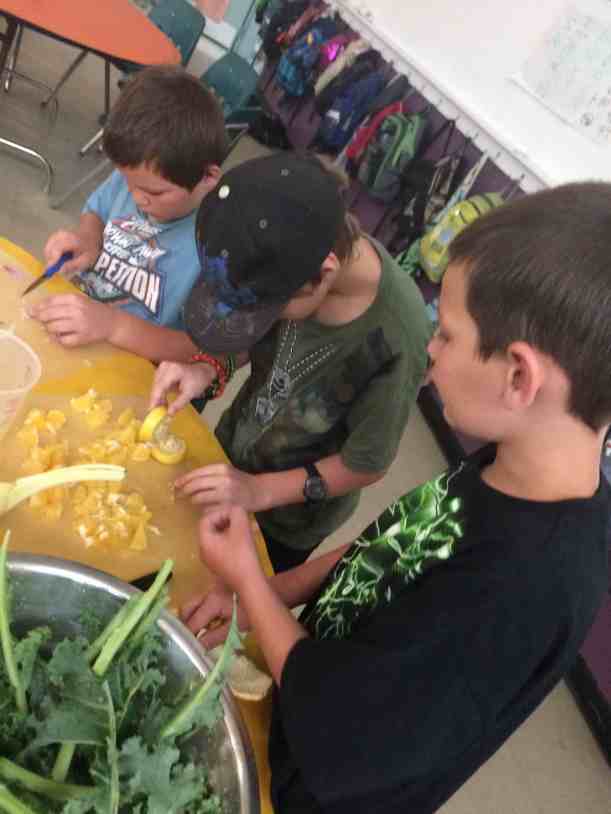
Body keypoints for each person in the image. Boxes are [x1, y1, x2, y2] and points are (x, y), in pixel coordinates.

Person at [181, 182, 611, 813]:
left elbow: (336, 724)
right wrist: (266, 594)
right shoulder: (515, 460)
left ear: (518, 376)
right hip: (295, 696)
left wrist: (247, 575)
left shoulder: (520, 589)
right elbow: (388, 550)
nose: (430, 351)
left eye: (449, 334)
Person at [148, 152, 432, 571]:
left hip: (286, 521)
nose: (262, 320)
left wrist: (258, 492)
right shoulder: (280, 248)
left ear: (323, 274)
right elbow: (250, 337)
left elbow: (365, 463)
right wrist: (206, 367)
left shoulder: (398, 335)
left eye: (268, 310)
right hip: (229, 458)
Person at [29, 66, 227, 363]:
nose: (136, 197)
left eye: (154, 193)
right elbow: (96, 211)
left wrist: (112, 325)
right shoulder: (139, 177)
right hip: (78, 334)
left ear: (208, 177)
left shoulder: (219, 244)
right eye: (127, 181)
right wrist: (87, 238)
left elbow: (197, 349)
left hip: (131, 371)